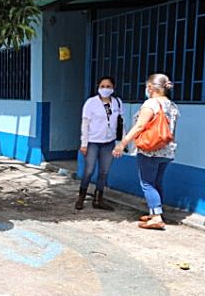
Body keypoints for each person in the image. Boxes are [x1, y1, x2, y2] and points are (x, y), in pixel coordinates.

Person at [113, 73, 180, 230]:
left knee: (147, 183)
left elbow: (140, 126)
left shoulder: (151, 104)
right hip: (166, 151)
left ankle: (156, 217)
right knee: (156, 182)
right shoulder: (172, 106)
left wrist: (122, 143)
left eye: (146, 86)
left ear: (150, 87)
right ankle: (155, 212)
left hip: (150, 150)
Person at [77, 76, 124, 211]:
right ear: (98, 88)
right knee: (89, 170)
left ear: (113, 88)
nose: (105, 89)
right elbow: (85, 124)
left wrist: (123, 142)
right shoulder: (91, 103)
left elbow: (121, 123)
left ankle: (98, 199)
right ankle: (81, 197)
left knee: (104, 171)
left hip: (109, 142)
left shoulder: (117, 103)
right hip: (93, 142)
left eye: (108, 86)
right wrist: (84, 143)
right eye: (102, 86)